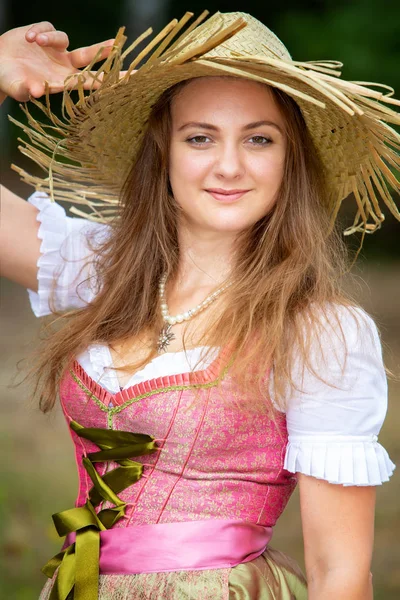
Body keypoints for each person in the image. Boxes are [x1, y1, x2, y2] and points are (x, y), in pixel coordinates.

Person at [0, 11, 398, 600]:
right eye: (200, 137)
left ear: (290, 160)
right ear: (163, 153)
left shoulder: (320, 332)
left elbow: (340, 573)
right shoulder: (104, 270)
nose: (229, 165)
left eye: (259, 138)